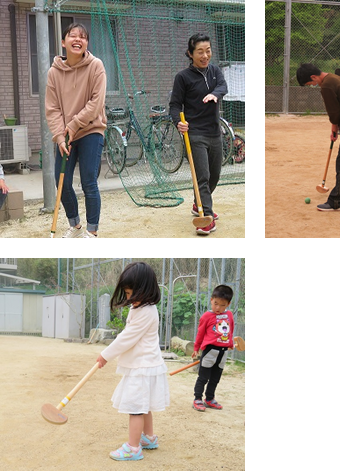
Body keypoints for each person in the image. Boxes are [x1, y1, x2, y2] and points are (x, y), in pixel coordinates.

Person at [96, 262, 169, 461]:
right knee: (144, 406)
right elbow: (128, 335)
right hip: (144, 365)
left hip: (142, 368)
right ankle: (149, 438)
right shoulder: (141, 308)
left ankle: (133, 448)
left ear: (145, 290)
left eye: (131, 294)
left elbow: (127, 338)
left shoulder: (145, 311)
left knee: (135, 408)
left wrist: (106, 355)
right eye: (127, 293)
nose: (129, 298)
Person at [45, 23, 107, 238]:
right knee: (61, 182)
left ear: (87, 43)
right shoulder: (54, 72)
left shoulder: (96, 66)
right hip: (65, 135)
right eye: (73, 36)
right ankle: (76, 226)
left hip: (91, 129)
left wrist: (72, 125)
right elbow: (52, 108)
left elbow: (96, 103)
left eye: (83, 37)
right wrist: (60, 136)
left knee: (89, 180)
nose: (78, 39)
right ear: (63, 42)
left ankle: (92, 231)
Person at [170, 33, 228, 235]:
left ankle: (198, 203)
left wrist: (214, 94)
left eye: (208, 51)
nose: (205, 56)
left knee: (215, 175)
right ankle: (206, 218)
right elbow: (175, 105)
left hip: (214, 132)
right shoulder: (183, 77)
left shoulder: (215, 71)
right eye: (200, 52)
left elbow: (223, 86)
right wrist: (178, 122)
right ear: (190, 53)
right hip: (194, 134)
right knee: (202, 176)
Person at [296, 63, 340, 211]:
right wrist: (336, 127)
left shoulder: (326, 86)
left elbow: (334, 111)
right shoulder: (334, 78)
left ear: (313, 77)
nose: (313, 85)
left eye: (310, 83)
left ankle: (336, 201)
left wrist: (334, 127)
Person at [192, 285, 234, 411]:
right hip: (210, 351)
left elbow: (230, 329)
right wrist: (196, 348)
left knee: (215, 378)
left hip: (223, 352)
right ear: (211, 300)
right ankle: (197, 399)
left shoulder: (229, 315)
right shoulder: (206, 316)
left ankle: (209, 399)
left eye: (222, 305)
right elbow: (200, 333)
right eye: (215, 303)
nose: (218, 308)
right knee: (203, 377)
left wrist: (230, 343)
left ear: (228, 304)